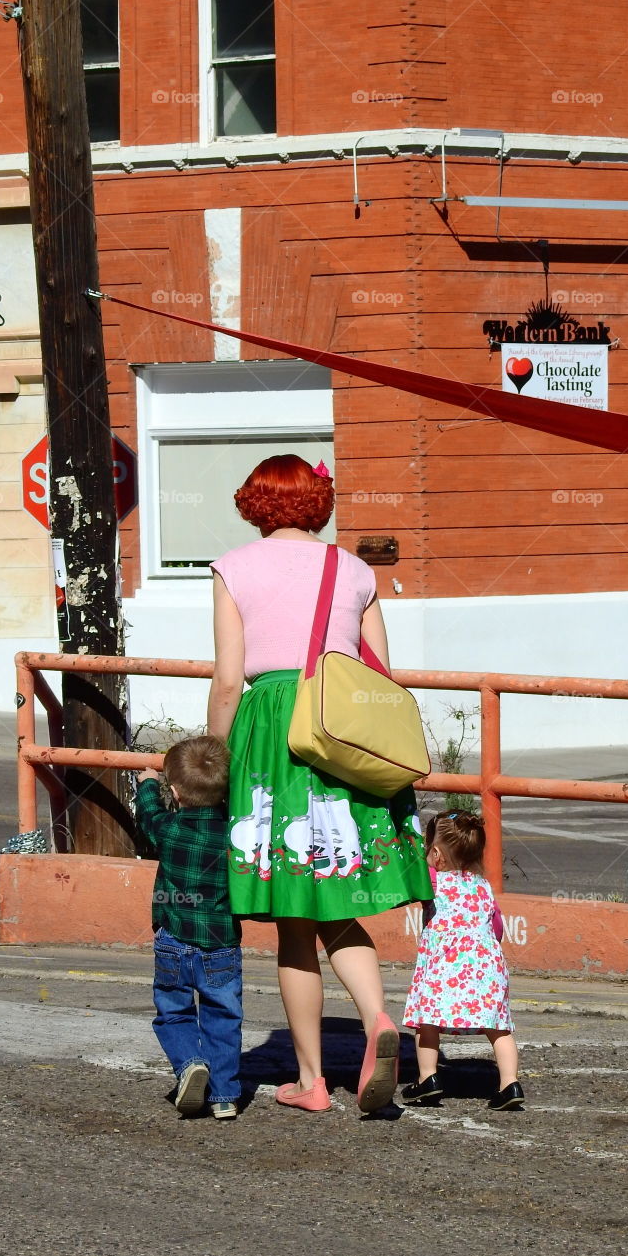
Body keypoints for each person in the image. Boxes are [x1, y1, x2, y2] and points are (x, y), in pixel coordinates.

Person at [207, 454, 433, 1115]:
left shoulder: (233, 568)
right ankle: (377, 1020)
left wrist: (213, 760)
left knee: (294, 918)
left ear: (255, 504)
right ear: (319, 502)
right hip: (338, 729)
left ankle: (311, 1082)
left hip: (274, 730)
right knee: (338, 903)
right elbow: (381, 674)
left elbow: (227, 679)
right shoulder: (354, 569)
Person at [137, 736, 243, 1120]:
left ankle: (189, 1065)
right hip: (222, 945)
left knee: (174, 1012)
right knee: (223, 1017)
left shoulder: (168, 830)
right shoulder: (235, 835)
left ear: (176, 790)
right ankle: (225, 1096)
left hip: (173, 939)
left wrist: (148, 783)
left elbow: (148, 815)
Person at [401, 811, 525, 1112]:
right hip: (487, 966)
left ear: (436, 853)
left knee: (427, 1022)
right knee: (498, 1027)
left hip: (443, 965)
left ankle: (428, 1079)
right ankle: (509, 1083)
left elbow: (409, 868)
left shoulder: (432, 881)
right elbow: (496, 929)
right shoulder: (483, 887)